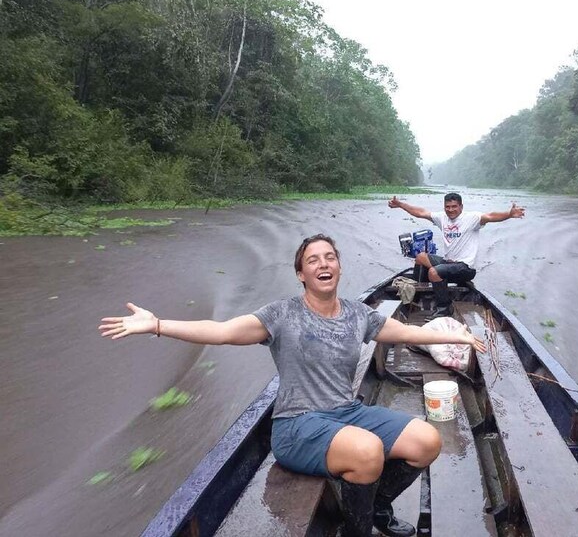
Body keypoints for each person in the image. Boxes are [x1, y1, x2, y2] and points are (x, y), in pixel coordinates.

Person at [99, 234, 486, 537]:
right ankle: (358, 531)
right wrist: (158, 325)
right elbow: (220, 331)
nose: (323, 264)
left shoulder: (357, 313)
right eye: (312, 260)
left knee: (426, 441)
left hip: (346, 413)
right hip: (297, 425)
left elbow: (402, 330)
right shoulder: (282, 314)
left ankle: (378, 505)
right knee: (367, 451)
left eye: (329, 257)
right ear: (301, 273)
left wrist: (457, 337)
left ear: (339, 268)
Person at [388, 192, 525, 318]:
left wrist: (509, 213)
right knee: (420, 257)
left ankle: (444, 307)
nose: (451, 210)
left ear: (461, 206)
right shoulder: (442, 218)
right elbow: (421, 212)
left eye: (454, 206)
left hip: (465, 268)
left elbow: (490, 216)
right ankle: (420, 293)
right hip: (448, 262)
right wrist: (400, 204)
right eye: (447, 207)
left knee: (434, 272)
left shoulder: (472, 218)